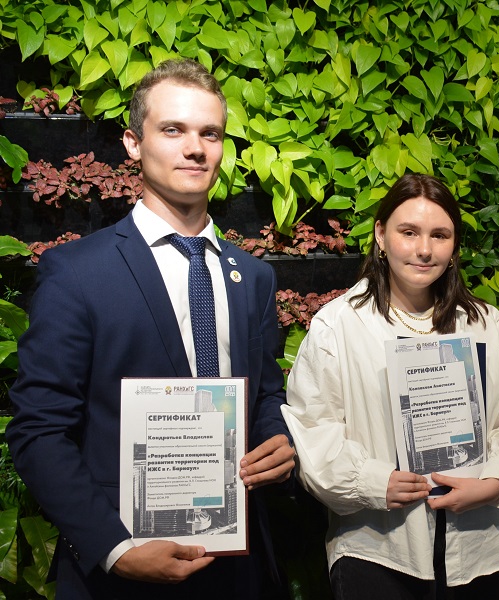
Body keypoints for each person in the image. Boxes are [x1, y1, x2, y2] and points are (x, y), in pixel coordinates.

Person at [6, 59, 295, 599]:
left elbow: (265, 393)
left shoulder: (253, 277)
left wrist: (279, 437)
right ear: (133, 144)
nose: (195, 148)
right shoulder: (77, 273)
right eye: (173, 130)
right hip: (124, 571)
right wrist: (115, 549)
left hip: (239, 564)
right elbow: (39, 430)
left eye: (210, 133)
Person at [281, 172, 499, 599]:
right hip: (379, 550)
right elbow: (314, 430)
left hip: (479, 548)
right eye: (408, 232)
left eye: (439, 235)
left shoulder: (483, 323)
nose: (424, 249)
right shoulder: (339, 326)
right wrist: (374, 481)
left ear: (454, 247)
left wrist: (496, 480)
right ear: (381, 235)